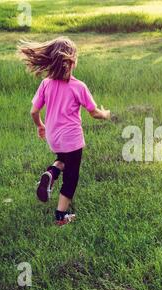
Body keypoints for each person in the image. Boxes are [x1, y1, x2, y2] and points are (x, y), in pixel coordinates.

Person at [18, 36, 111, 226]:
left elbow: (34, 111)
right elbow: (93, 113)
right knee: (71, 177)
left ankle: (51, 173)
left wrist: (40, 126)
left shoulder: (46, 84)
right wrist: (105, 114)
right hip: (72, 140)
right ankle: (61, 216)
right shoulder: (79, 86)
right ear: (72, 61)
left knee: (62, 160)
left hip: (54, 137)